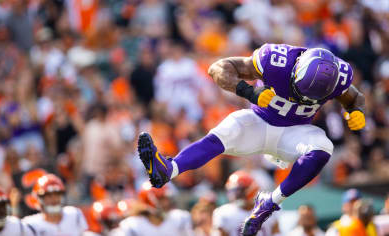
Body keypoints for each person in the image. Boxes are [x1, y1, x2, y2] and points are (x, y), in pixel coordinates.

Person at [137, 43, 366, 236]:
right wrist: (249, 92)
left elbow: (354, 97)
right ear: (296, 70)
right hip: (259, 123)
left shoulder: (339, 76)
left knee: (324, 146)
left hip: (294, 134)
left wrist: (355, 110)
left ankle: (269, 202)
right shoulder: (276, 60)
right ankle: (168, 169)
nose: (303, 98)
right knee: (228, 130)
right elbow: (218, 68)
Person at [213, 170, 279, 236]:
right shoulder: (223, 213)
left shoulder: (267, 209)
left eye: (238, 191)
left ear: (251, 190)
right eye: (232, 191)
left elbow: (276, 233)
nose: (234, 195)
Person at [118, 181, 194, 236]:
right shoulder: (133, 226)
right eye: (162, 199)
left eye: (167, 199)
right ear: (149, 201)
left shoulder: (179, 218)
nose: (167, 203)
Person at [22, 173, 88, 236]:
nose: (54, 199)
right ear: (39, 199)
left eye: (57, 194)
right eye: (48, 196)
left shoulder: (74, 214)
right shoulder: (31, 224)